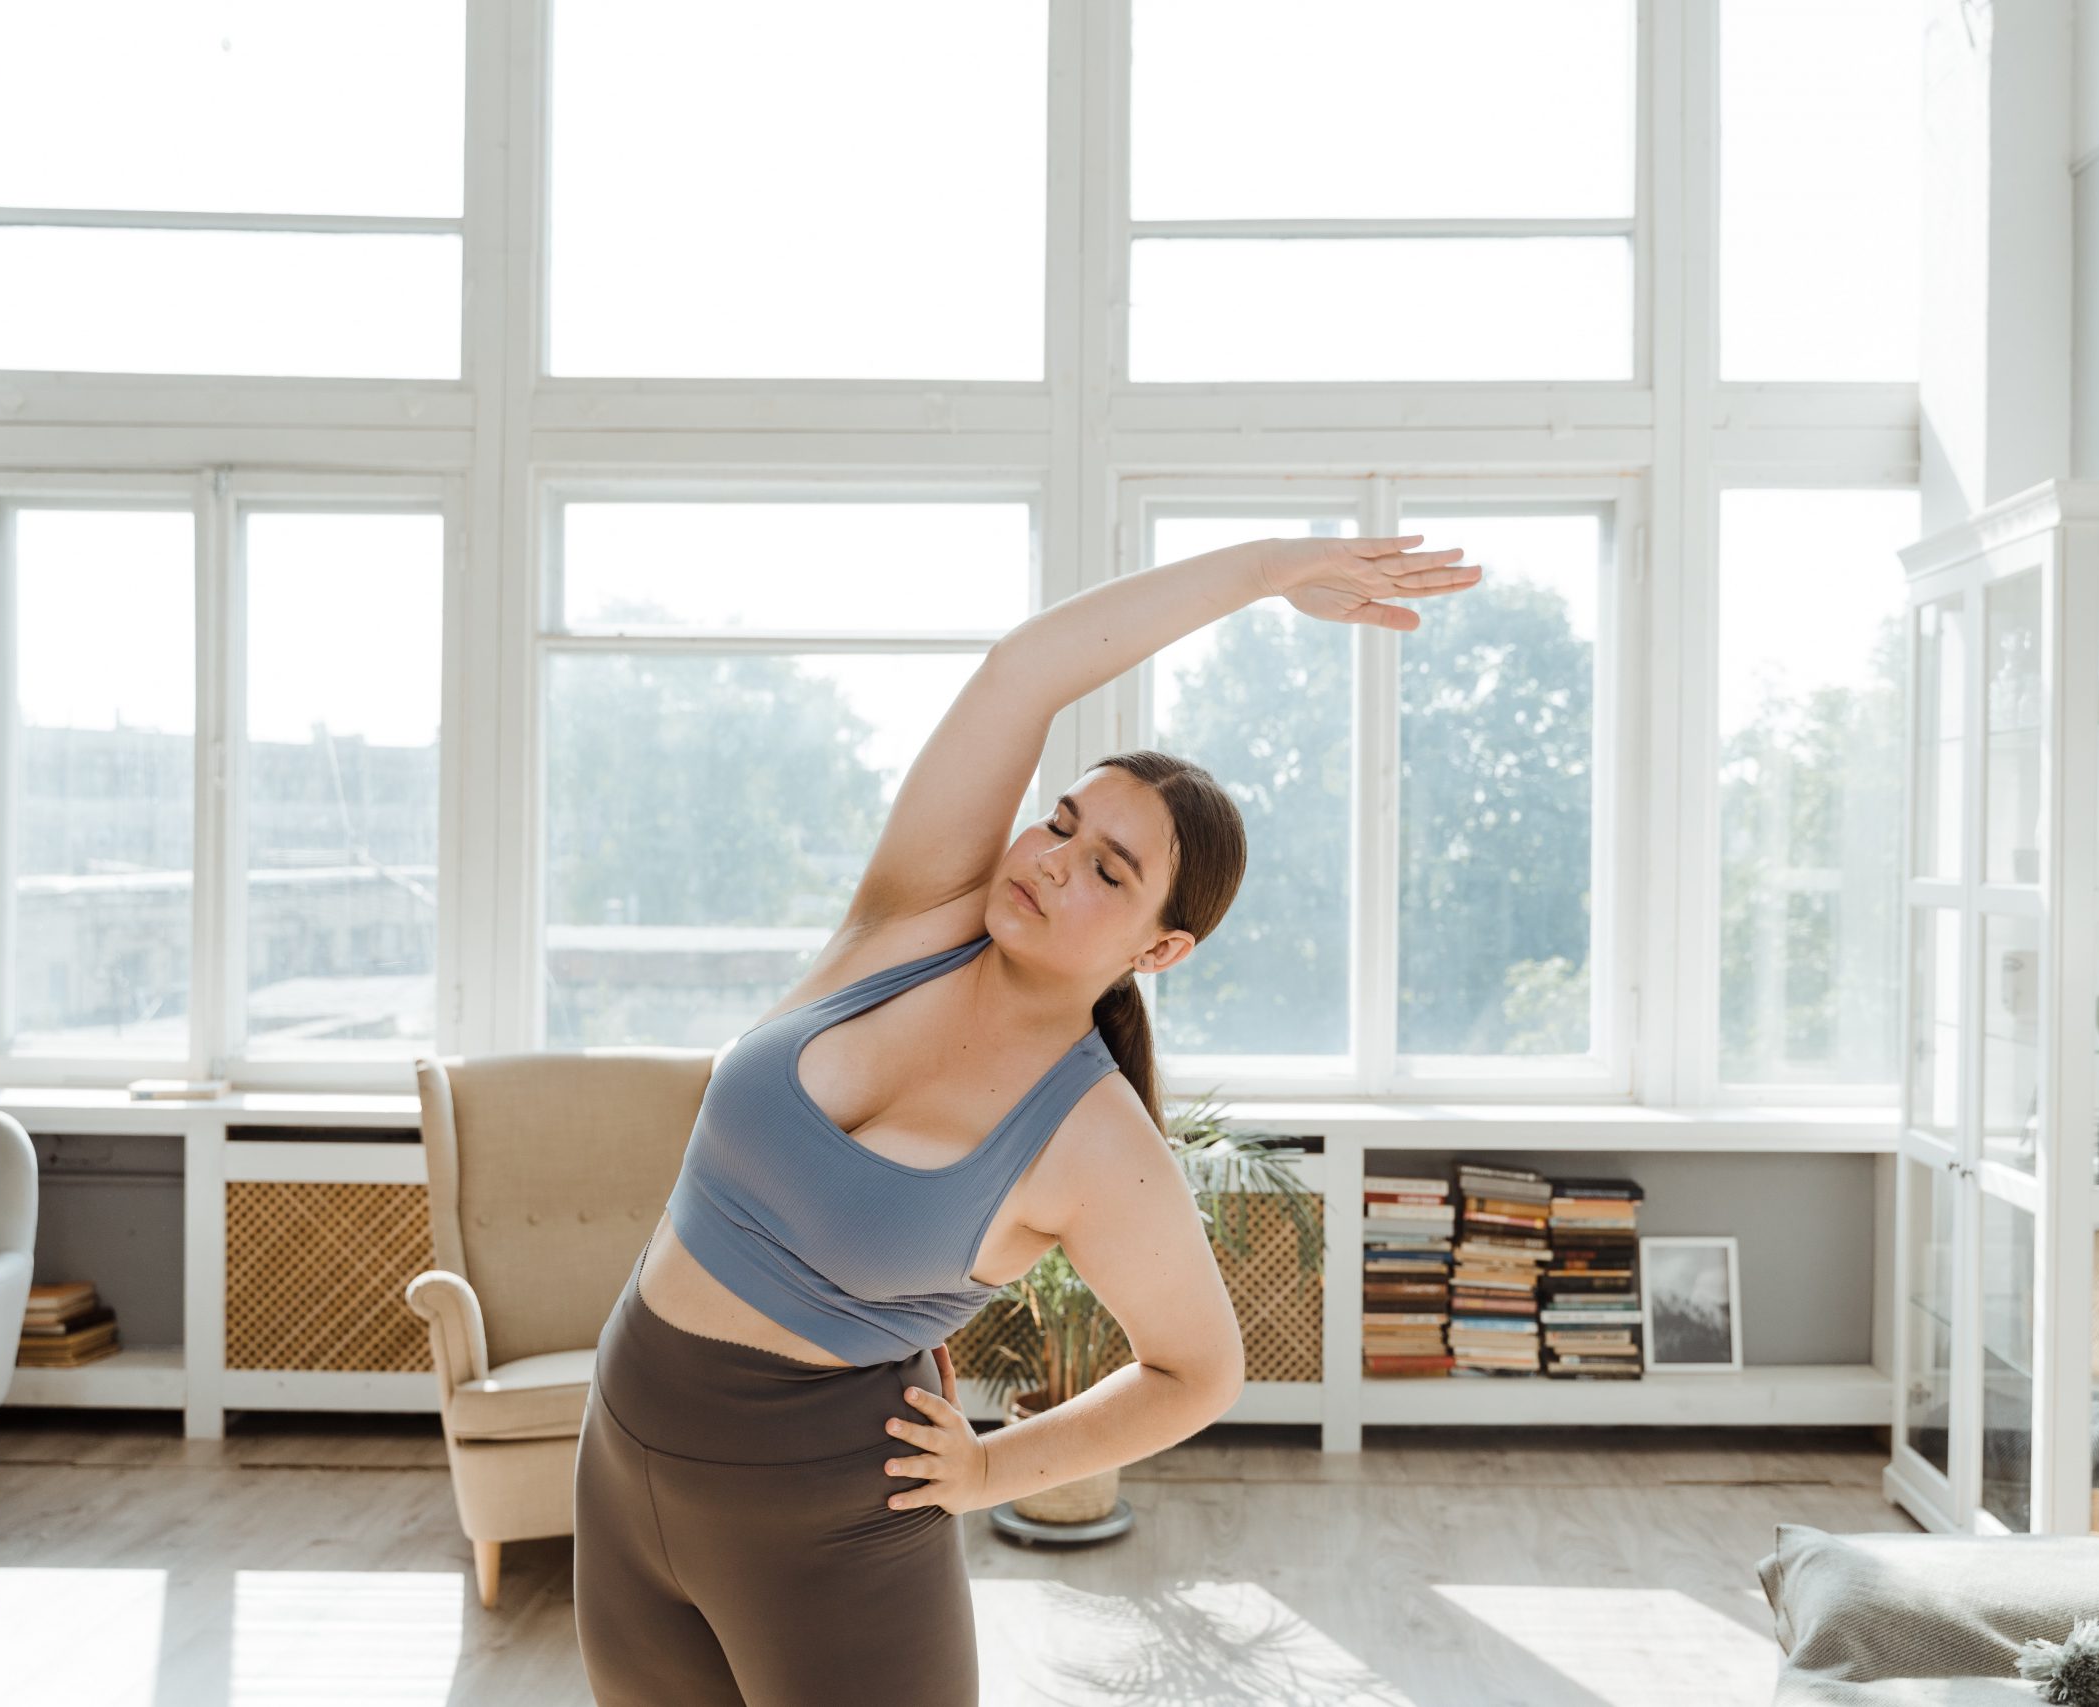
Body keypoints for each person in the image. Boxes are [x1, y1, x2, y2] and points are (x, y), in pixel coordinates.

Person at [570, 530, 1484, 1705]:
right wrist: (1268, 572)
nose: (1055, 863)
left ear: (1159, 949)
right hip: (619, 1453)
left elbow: (1198, 1372)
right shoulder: (911, 922)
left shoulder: (1095, 1143)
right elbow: (1024, 672)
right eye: (1061, 824)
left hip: (827, 1526)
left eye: (1109, 872)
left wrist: (992, 1468)